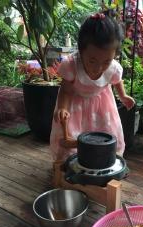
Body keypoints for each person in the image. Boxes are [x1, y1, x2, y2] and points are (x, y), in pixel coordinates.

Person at [50, 11, 135, 161]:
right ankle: (69, 162)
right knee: (73, 133)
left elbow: (116, 81)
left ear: (114, 55)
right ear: (81, 51)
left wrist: (123, 96)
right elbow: (66, 91)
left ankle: (104, 159)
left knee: (105, 131)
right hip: (74, 104)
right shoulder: (72, 65)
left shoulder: (113, 67)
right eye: (92, 61)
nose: (99, 67)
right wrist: (63, 107)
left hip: (101, 103)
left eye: (106, 62)